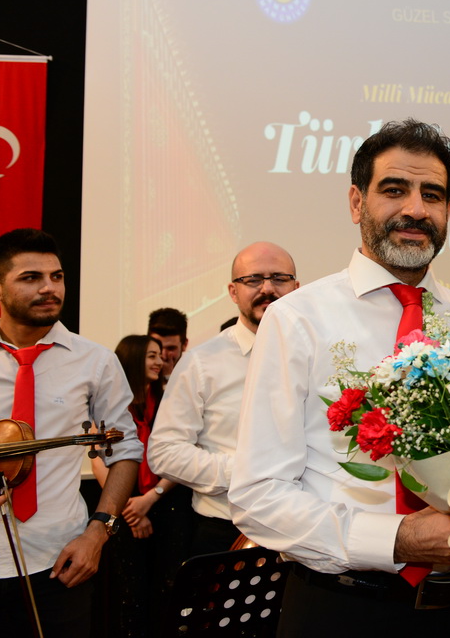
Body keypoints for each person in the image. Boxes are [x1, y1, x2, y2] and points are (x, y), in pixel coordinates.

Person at [228, 119, 450, 636]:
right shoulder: (297, 319)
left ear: (449, 210)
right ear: (356, 203)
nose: (415, 209)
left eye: (432, 195)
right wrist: (397, 540)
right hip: (343, 609)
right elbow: (258, 495)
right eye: (394, 190)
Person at [0, 228, 141, 637]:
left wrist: (98, 532)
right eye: (31, 278)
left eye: (57, 277)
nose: (49, 288)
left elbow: (125, 451)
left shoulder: (96, 362)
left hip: (58, 560)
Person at [148, 242, 299, 556]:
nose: (267, 288)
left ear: (296, 288)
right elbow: (165, 453)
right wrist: (246, 472)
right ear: (233, 292)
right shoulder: (201, 363)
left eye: (279, 278)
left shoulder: (318, 354)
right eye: (253, 279)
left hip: (306, 528)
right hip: (224, 532)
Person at [93, 334, 183, 637]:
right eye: (151, 356)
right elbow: (98, 459)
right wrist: (128, 507)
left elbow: (182, 453)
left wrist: (150, 500)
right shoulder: (112, 404)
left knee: (165, 587)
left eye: (161, 355)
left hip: (165, 503)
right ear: (132, 359)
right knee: (128, 591)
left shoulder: (168, 401)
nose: (160, 361)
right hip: (122, 507)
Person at [147, 307, 188, 382]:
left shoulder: (195, 375)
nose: (163, 355)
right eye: (158, 347)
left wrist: (168, 377)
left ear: (184, 345)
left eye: (171, 348)